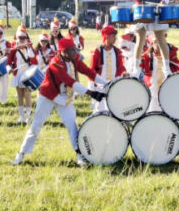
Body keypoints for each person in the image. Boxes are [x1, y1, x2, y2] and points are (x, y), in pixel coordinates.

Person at [11, 38, 107, 166]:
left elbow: (88, 71)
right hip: (48, 96)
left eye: (75, 49)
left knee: (71, 125)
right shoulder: (55, 63)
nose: (75, 52)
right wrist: (92, 93)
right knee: (36, 125)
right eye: (72, 50)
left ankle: (80, 154)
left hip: (64, 97)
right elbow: (69, 81)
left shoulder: (74, 58)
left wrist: (107, 83)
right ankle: (21, 153)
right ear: (63, 52)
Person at [113, 0, 173, 78]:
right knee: (140, 39)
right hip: (142, 11)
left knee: (161, 39)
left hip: (157, 10)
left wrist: (163, 2)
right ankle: (136, 69)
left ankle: (167, 69)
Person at [141, 34, 179, 112]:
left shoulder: (169, 55)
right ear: (152, 45)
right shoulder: (146, 57)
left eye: (161, 42)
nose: (158, 45)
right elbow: (140, 66)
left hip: (166, 85)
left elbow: (177, 63)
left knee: (167, 105)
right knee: (152, 106)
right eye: (156, 42)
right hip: (152, 86)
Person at [89, 25, 127, 113]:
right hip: (99, 87)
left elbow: (121, 67)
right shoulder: (97, 52)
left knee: (113, 110)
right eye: (113, 36)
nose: (115, 38)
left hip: (113, 85)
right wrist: (91, 89)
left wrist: (124, 73)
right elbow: (91, 71)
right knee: (99, 111)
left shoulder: (117, 51)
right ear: (107, 37)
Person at [7, 25, 38, 124]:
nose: (22, 40)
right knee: (20, 95)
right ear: (16, 37)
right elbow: (9, 62)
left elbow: (33, 58)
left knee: (27, 94)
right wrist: (9, 69)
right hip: (18, 74)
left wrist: (28, 47)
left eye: (24, 37)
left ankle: (28, 117)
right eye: (20, 38)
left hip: (28, 74)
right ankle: (21, 117)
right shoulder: (13, 47)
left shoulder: (29, 47)